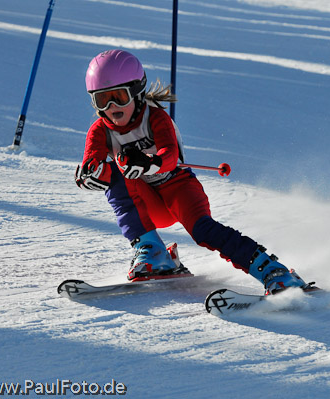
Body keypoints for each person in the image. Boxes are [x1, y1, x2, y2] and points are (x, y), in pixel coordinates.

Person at [75, 49, 316, 295]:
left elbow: (169, 155)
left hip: (179, 188)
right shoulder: (99, 131)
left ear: (137, 92)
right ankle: (154, 253)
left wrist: (150, 162)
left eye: (119, 97)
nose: (112, 107)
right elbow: (92, 162)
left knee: (204, 231)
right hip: (147, 205)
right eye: (103, 100)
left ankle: (275, 272)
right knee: (116, 174)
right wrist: (89, 174)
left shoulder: (155, 117)